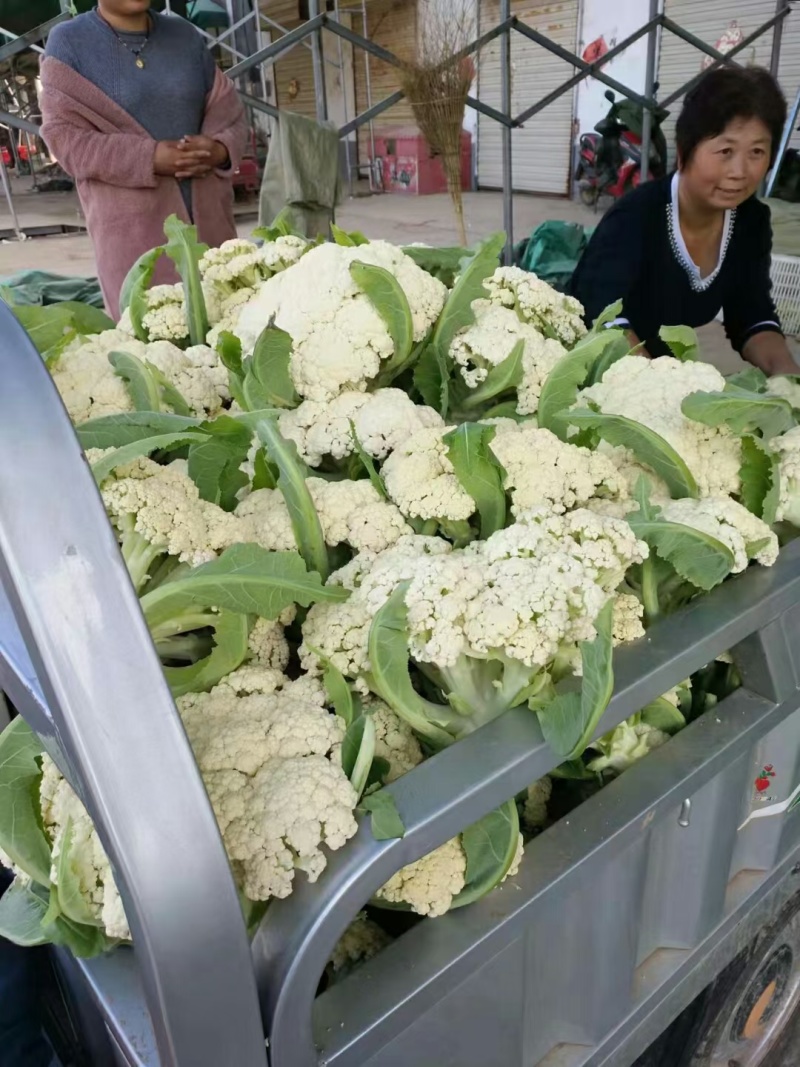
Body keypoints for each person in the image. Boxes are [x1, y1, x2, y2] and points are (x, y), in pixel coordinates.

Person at [569, 66, 798, 375]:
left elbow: (752, 314)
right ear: (685, 149)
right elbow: (603, 319)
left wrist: (789, 380)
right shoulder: (636, 216)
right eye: (726, 150)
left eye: (756, 151)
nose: (740, 171)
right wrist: (659, 388)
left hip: (658, 360)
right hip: (585, 360)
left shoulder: (750, 222)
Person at [40, 0, 247, 319]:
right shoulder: (69, 42)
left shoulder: (185, 36)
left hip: (210, 229)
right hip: (132, 239)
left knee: (228, 330)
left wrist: (217, 149)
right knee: (153, 342)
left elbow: (230, 114)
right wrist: (148, 158)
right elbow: (66, 139)